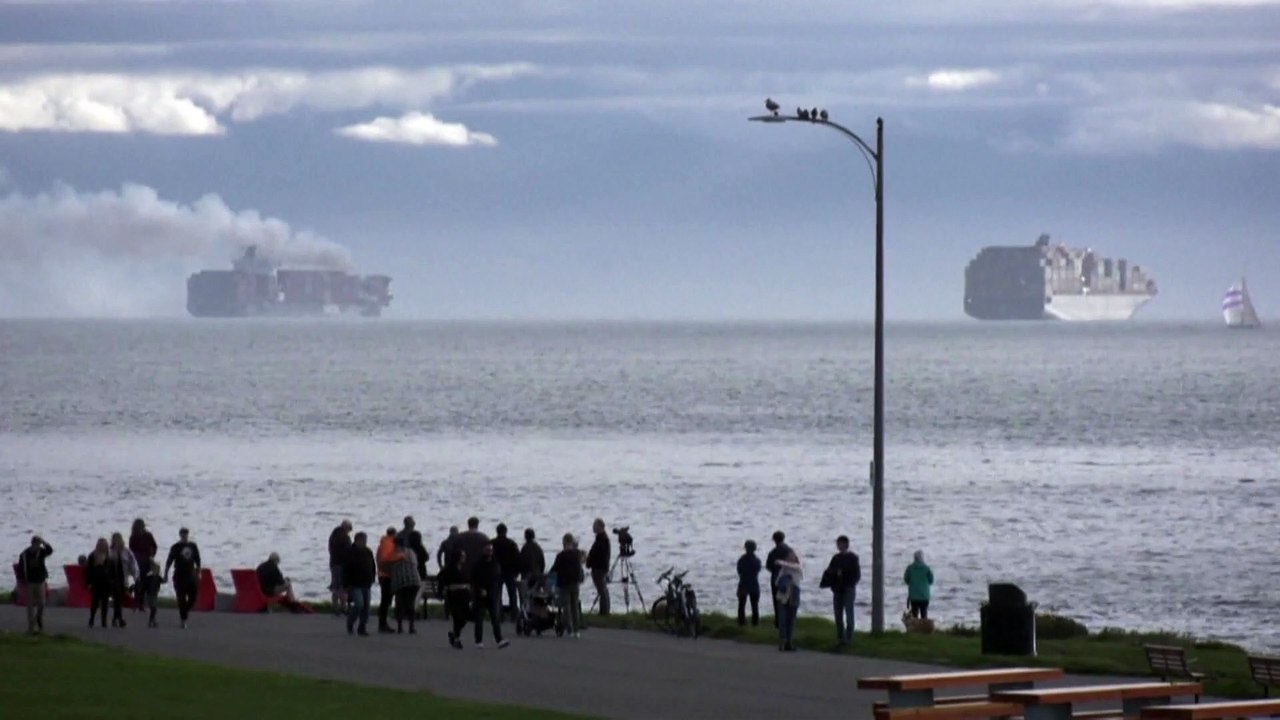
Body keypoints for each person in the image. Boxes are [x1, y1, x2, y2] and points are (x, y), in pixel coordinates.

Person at [823, 535, 861, 646]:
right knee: (838, 614)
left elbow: (856, 574)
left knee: (849, 613)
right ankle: (841, 637)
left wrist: (850, 583)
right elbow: (830, 571)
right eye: (838, 544)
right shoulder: (836, 558)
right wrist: (833, 580)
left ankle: (848, 637)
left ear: (845, 545)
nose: (838, 546)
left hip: (848, 588)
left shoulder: (853, 558)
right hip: (838, 589)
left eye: (840, 543)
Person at [471, 542, 509, 648]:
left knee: (495, 618)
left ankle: (499, 639)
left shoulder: (495, 563)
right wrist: (479, 589)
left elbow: (497, 577)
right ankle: (478, 641)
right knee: (479, 618)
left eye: (491, 550)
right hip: (480, 594)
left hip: (492, 593)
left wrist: (497, 589)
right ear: (483, 551)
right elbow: (474, 579)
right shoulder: (478, 564)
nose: (490, 552)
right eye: (488, 550)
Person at [163, 527, 202, 629]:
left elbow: (198, 560)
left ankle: (185, 611)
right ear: (180, 535)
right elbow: (169, 561)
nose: (184, 536)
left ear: (188, 535)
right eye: (183, 534)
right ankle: (183, 620)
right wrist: (165, 574)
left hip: (190, 575)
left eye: (186, 534)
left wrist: (198, 572)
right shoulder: (176, 547)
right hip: (179, 576)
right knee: (181, 599)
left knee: (193, 597)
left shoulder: (193, 546)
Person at [17, 535, 53, 634]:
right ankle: (31, 627)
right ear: (32, 544)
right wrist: (21, 582)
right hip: (29, 582)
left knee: (42, 603)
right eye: (37, 544)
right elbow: (20, 570)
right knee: (30, 605)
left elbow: (50, 550)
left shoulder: (41, 552)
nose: (38, 546)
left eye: (39, 544)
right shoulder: (24, 554)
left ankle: (38, 619)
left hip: (40, 581)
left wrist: (44, 542)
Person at [343, 531, 377, 636]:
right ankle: (350, 621)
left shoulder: (368, 551)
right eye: (363, 540)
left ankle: (362, 627)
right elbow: (345, 569)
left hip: (367, 582)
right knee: (359, 604)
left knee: (366, 607)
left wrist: (372, 577)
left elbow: (372, 565)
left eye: (365, 540)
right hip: (355, 584)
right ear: (357, 540)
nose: (364, 542)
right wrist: (346, 584)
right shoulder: (350, 552)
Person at [551, 533, 584, 638]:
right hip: (575, 583)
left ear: (564, 542)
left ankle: (569, 629)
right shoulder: (577, 554)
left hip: (564, 584)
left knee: (567, 606)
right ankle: (576, 630)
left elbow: (554, 569)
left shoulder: (561, 556)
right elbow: (584, 558)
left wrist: (548, 577)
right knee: (575, 607)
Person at [438, 549, 472, 649]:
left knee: (465, 616)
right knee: (457, 616)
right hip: (454, 595)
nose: (464, 558)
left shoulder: (465, 568)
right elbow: (441, 579)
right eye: (462, 556)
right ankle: (456, 638)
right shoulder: (449, 569)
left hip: (465, 594)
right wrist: (442, 590)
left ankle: (454, 634)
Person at [390, 537, 422, 634]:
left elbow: (391, 566)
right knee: (410, 603)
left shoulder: (394, 553)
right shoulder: (411, 552)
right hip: (414, 580)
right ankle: (411, 627)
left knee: (400, 604)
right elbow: (416, 564)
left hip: (401, 581)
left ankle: (400, 627)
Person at [107, 532, 140, 628]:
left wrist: (135, 576)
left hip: (123, 579)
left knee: (119, 600)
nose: (117, 541)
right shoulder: (109, 552)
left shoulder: (127, 552)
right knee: (117, 598)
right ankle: (120, 619)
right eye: (115, 539)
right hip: (112, 580)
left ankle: (115, 618)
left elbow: (133, 564)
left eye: (118, 539)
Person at [774, 549, 803, 652]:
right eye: (789, 556)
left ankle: (788, 642)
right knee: (782, 619)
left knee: (791, 619)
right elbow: (777, 582)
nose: (791, 558)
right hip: (782, 595)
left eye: (793, 556)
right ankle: (783, 641)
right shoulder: (783, 569)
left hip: (793, 594)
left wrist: (782, 562)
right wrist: (784, 581)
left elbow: (793, 566)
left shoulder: (797, 567)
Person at [375, 527, 402, 633]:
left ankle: (383, 622)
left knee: (385, 600)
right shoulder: (389, 544)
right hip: (387, 575)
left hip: (383, 574)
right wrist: (401, 556)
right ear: (394, 534)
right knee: (386, 600)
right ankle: (382, 624)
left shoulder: (383, 544)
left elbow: (379, 558)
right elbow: (387, 559)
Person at [491, 523, 520, 618]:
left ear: (497, 532)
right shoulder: (511, 543)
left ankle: (499, 613)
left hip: (496, 571)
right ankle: (514, 613)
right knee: (512, 593)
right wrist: (516, 572)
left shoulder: (492, 543)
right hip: (509, 571)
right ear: (506, 532)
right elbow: (517, 558)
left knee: (497, 594)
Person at [128, 519, 158, 611]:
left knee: (145, 583)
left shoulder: (148, 535)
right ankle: (137, 604)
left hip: (147, 562)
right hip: (137, 563)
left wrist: (151, 555)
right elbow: (131, 550)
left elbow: (154, 546)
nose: (142, 528)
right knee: (139, 583)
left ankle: (141, 604)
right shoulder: (133, 537)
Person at [764, 530, 791, 628]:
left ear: (774, 540)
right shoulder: (790, 550)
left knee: (777, 601)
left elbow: (768, 566)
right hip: (788, 579)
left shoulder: (773, 552)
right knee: (788, 601)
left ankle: (778, 621)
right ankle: (788, 621)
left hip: (776, 579)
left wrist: (775, 571)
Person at [586, 518, 611, 616]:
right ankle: (604, 610)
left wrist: (589, 561)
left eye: (595, 525)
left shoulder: (602, 540)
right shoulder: (601, 539)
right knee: (603, 590)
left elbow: (597, 555)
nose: (593, 527)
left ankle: (604, 612)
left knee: (602, 590)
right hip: (600, 567)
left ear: (600, 527)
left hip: (599, 569)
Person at [328, 519, 353, 615]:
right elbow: (348, 551)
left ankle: (335, 607)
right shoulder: (344, 537)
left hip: (334, 563)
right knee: (342, 587)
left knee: (335, 586)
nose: (349, 532)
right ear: (346, 528)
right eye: (349, 529)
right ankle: (343, 607)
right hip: (342, 565)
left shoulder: (333, 535)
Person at [85, 538, 112, 629]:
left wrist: (103, 564)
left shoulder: (109, 556)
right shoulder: (92, 556)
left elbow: (111, 571)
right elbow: (88, 570)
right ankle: (91, 619)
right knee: (95, 602)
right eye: (100, 545)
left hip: (106, 582)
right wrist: (89, 582)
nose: (102, 547)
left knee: (105, 602)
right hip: (95, 582)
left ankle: (104, 621)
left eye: (104, 545)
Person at [518, 528, 545, 610]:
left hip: (527, 576)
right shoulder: (538, 548)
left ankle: (525, 611)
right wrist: (540, 572)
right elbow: (542, 563)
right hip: (537, 575)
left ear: (525, 537)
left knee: (525, 596)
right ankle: (535, 611)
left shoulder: (525, 548)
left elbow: (521, 562)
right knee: (536, 596)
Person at [736, 539, 762, 627]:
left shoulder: (741, 560)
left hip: (743, 582)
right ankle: (755, 622)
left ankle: (741, 621)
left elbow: (739, 571)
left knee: (741, 604)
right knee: (755, 604)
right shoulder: (757, 560)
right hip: (754, 582)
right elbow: (758, 570)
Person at [904, 550, 934, 620]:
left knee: (914, 614)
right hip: (924, 595)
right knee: (924, 613)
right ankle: (924, 628)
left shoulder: (910, 568)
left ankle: (915, 628)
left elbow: (906, 579)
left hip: (914, 596)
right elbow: (931, 580)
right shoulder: (926, 568)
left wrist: (912, 584)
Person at [408, 530, 430, 618]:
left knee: (411, 594)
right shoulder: (420, 548)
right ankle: (414, 609)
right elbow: (426, 557)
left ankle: (410, 609)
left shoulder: (408, 549)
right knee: (418, 593)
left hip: (411, 573)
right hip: (421, 573)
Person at [142, 560, 162, 628]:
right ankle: (151, 621)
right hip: (149, 594)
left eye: (158, 569)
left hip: (155, 594)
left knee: (154, 608)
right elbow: (145, 585)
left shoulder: (158, 577)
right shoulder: (149, 577)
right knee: (153, 608)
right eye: (157, 569)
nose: (158, 571)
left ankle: (152, 620)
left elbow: (163, 580)